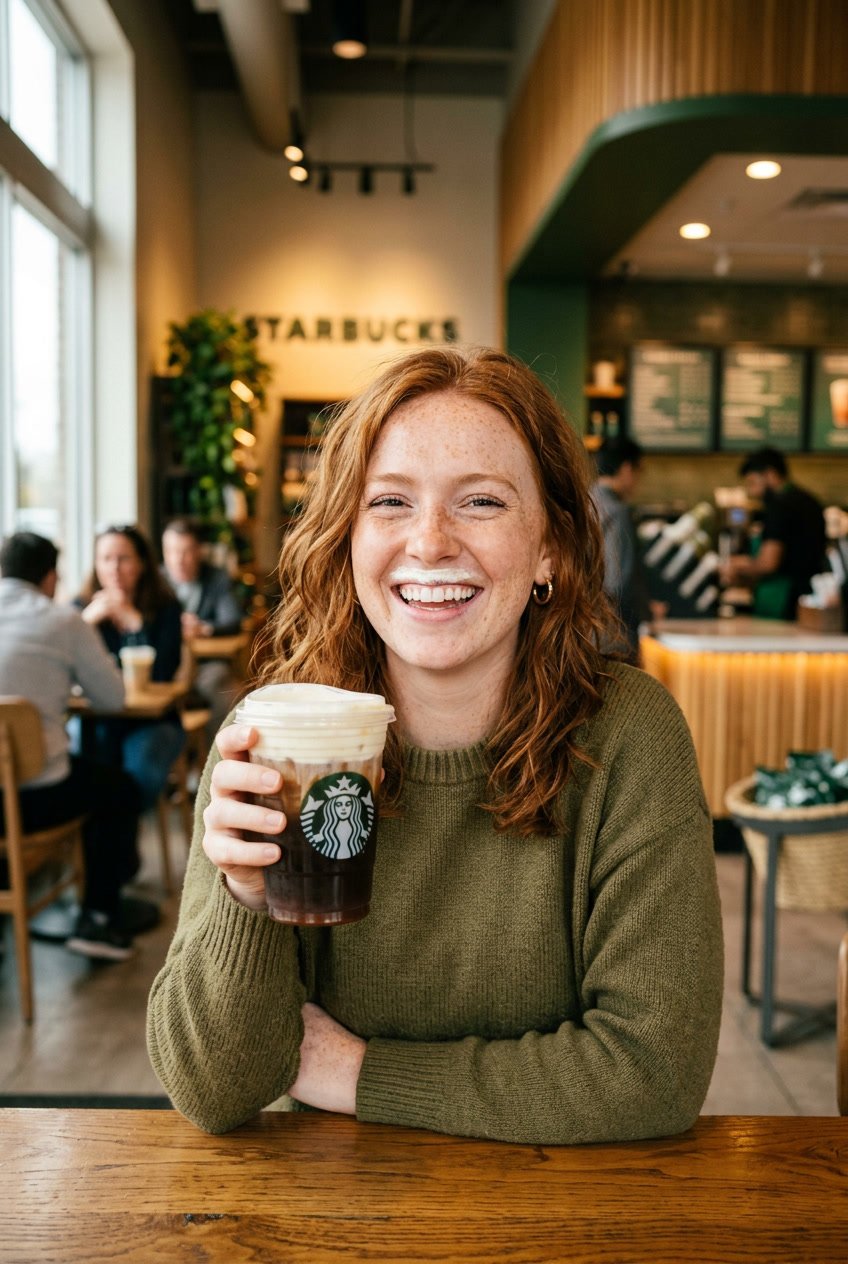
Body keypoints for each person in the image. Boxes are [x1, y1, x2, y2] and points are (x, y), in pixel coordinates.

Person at [148, 346, 723, 1145]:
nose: (429, 542)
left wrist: (353, 1071)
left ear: (549, 546)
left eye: (481, 502)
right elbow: (214, 1093)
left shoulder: (629, 736)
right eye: (389, 502)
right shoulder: (271, 734)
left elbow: (653, 1072)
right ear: (347, 538)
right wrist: (247, 904)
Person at [0, 532, 143, 959]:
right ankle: (97, 919)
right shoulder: (63, 620)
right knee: (120, 789)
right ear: (49, 577)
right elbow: (113, 699)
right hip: (36, 798)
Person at [75, 524, 185, 811]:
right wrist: (85, 624)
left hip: (153, 721)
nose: (114, 568)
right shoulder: (81, 608)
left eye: (123, 558)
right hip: (95, 717)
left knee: (140, 773)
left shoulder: (167, 608)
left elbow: (161, 674)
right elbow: (62, 669)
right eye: (105, 559)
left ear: (142, 564)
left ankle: (121, 835)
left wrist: (134, 621)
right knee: (80, 764)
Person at [161, 517, 245, 736]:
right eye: (171, 551)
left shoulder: (216, 578)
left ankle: (217, 758)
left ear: (199, 551)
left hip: (204, 667)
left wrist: (202, 628)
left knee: (228, 692)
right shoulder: (156, 581)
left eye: (186, 552)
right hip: (162, 666)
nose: (179, 560)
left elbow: (233, 620)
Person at [720, 447, 826, 620]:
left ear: (770, 474)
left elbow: (769, 563)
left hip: (781, 599)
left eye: (753, 483)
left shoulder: (779, 506)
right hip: (809, 600)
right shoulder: (809, 501)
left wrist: (737, 565)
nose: (751, 492)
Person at [589, 436, 653, 661]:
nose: (637, 481)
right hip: (611, 636)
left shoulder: (584, 502)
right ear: (626, 469)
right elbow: (616, 581)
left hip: (582, 631)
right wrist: (647, 611)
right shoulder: (617, 512)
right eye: (638, 472)